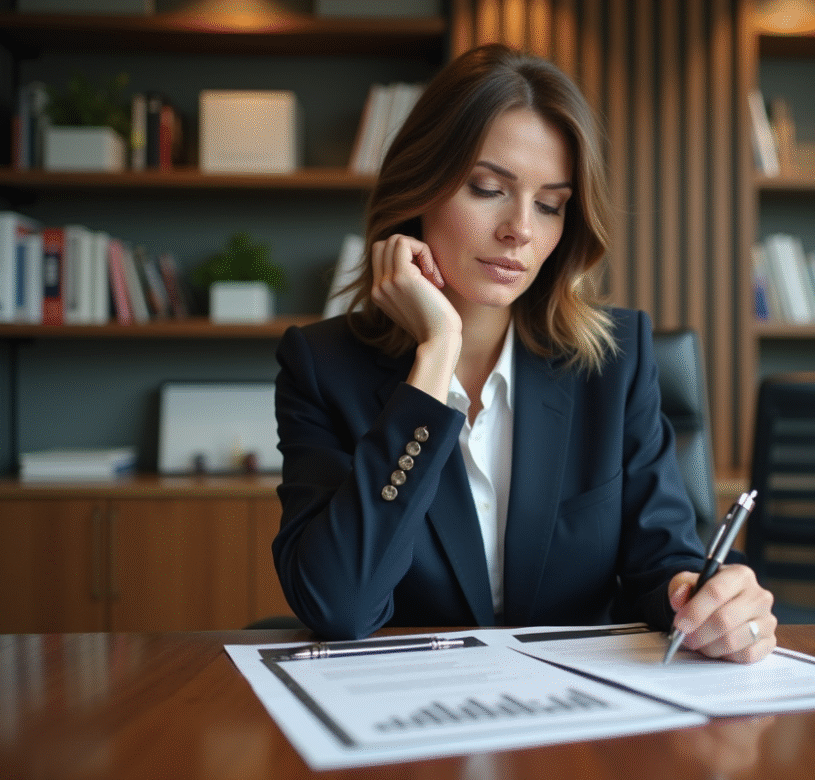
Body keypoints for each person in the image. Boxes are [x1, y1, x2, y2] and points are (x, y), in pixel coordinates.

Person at [272, 43, 776, 663]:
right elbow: (340, 605)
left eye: (550, 205)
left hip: (581, 725)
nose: (522, 230)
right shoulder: (323, 367)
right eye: (488, 189)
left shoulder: (614, 361)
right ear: (419, 187)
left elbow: (662, 560)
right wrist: (434, 359)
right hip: (413, 725)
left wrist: (702, 599)